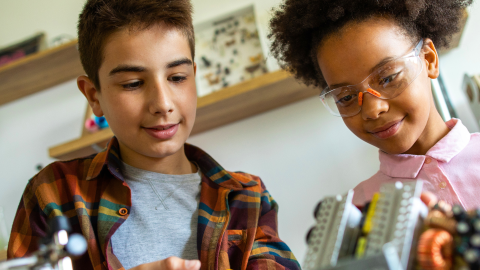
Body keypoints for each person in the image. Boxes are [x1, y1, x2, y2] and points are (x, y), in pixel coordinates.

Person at [7, 1, 300, 269]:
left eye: (177, 78)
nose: (162, 104)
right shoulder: (53, 193)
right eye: (133, 83)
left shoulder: (247, 196)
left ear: (194, 78)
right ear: (94, 96)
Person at [268, 0, 480, 209]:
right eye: (346, 97)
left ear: (429, 59)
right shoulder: (357, 210)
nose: (372, 109)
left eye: (388, 78)